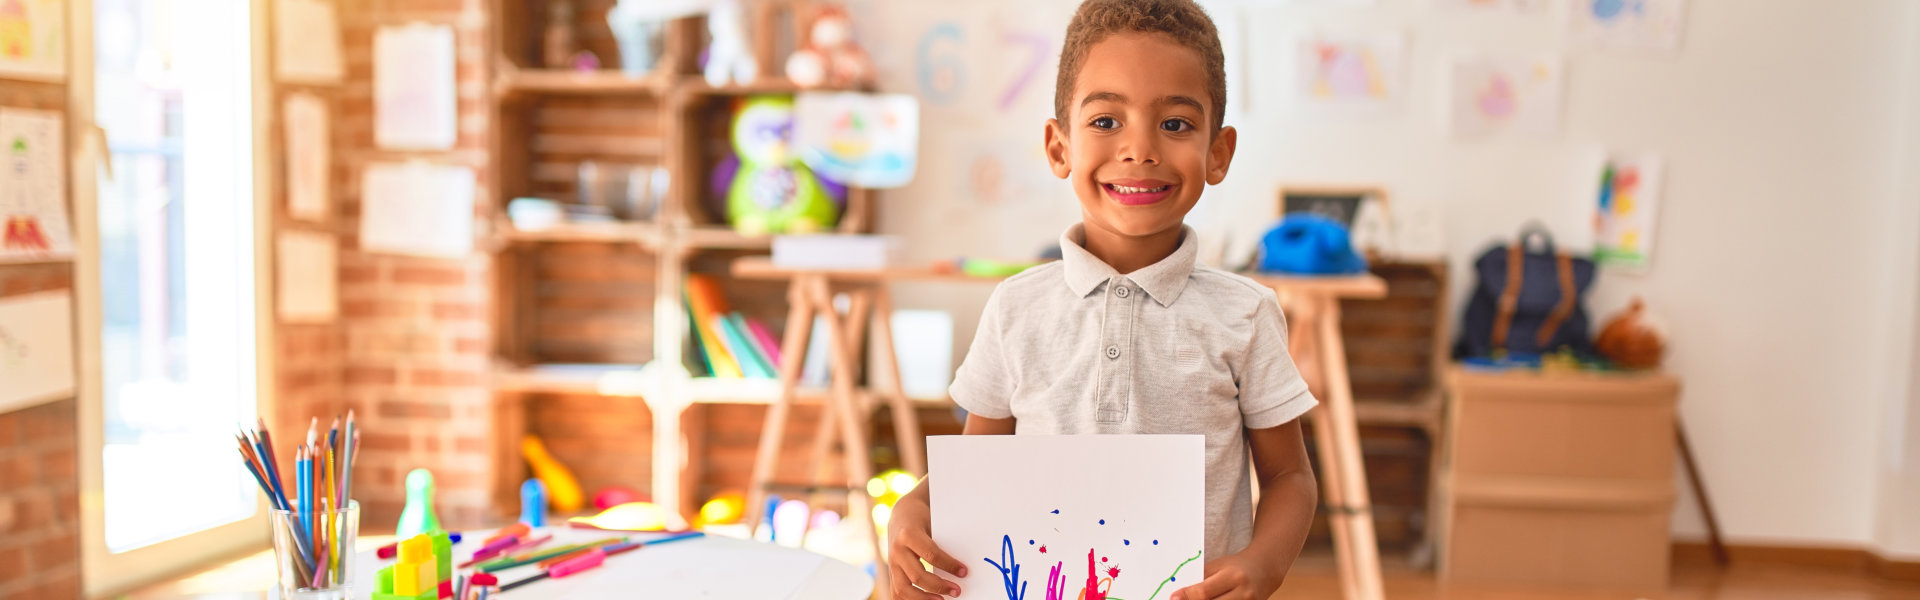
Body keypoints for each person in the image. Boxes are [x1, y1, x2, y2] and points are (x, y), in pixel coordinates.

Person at [885, 1, 1321, 599]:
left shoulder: (1245, 314)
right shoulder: (1015, 308)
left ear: (1217, 153)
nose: (1139, 150)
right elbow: (975, 468)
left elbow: (1290, 475)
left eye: (1175, 125)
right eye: (1106, 121)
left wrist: (1263, 564)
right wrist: (911, 507)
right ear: (1059, 146)